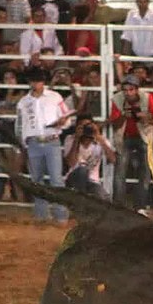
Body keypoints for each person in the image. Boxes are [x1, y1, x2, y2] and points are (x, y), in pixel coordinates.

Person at [15, 66, 74, 223]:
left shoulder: (55, 97)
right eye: (34, 81)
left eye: (38, 81)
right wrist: (22, 143)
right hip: (35, 142)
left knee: (55, 179)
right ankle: (43, 214)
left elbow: (67, 118)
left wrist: (62, 122)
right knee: (38, 179)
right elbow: (20, 125)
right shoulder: (24, 102)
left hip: (51, 140)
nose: (36, 84)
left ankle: (59, 215)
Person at [109, 74, 153, 212]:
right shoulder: (117, 99)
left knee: (145, 172)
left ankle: (141, 207)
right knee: (120, 172)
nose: (128, 93)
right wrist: (123, 116)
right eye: (125, 90)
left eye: (131, 89)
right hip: (124, 137)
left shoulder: (147, 98)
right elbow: (114, 124)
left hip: (144, 136)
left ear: (137, 89)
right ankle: (118, 208)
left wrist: (146, 119)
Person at [64, 116, 115, 199]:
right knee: (82, 170)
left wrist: (100, 139)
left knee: (104, 198)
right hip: (73, 178)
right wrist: (77, 139)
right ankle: (81, 202)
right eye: (82, 127)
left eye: (88, 126)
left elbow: (113, 159)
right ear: (77, 128)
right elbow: (71, 163)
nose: (85, 129)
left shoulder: (100, 140)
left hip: (92, 181)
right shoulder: (70, 139)